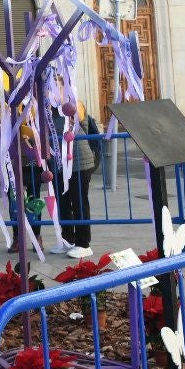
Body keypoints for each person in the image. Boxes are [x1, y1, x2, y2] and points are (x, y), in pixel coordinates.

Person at [58, 110, 100, 258]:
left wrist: (63, 91)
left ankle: (83, 243)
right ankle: (67, 239)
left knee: (79, 202)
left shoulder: (74, 103)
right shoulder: (48, 108)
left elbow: (77, 111)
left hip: (78, 163)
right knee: (63, 203)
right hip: (60, 164)